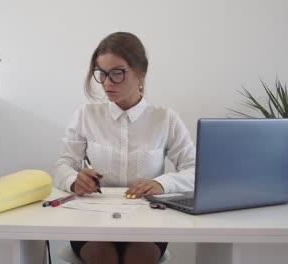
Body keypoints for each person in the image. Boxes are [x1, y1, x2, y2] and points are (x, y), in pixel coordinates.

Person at [53, 32, 196, 264]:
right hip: (92, 217)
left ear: (141, 72)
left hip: (148, 220)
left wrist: (162, 183)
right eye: (102, 73)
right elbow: (63, 164)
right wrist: (73, 180)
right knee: (104, 257)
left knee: (137, 258)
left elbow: (195, 171)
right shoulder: (87, 115)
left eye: (117, 73)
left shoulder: (165, 119)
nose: (108, 83)